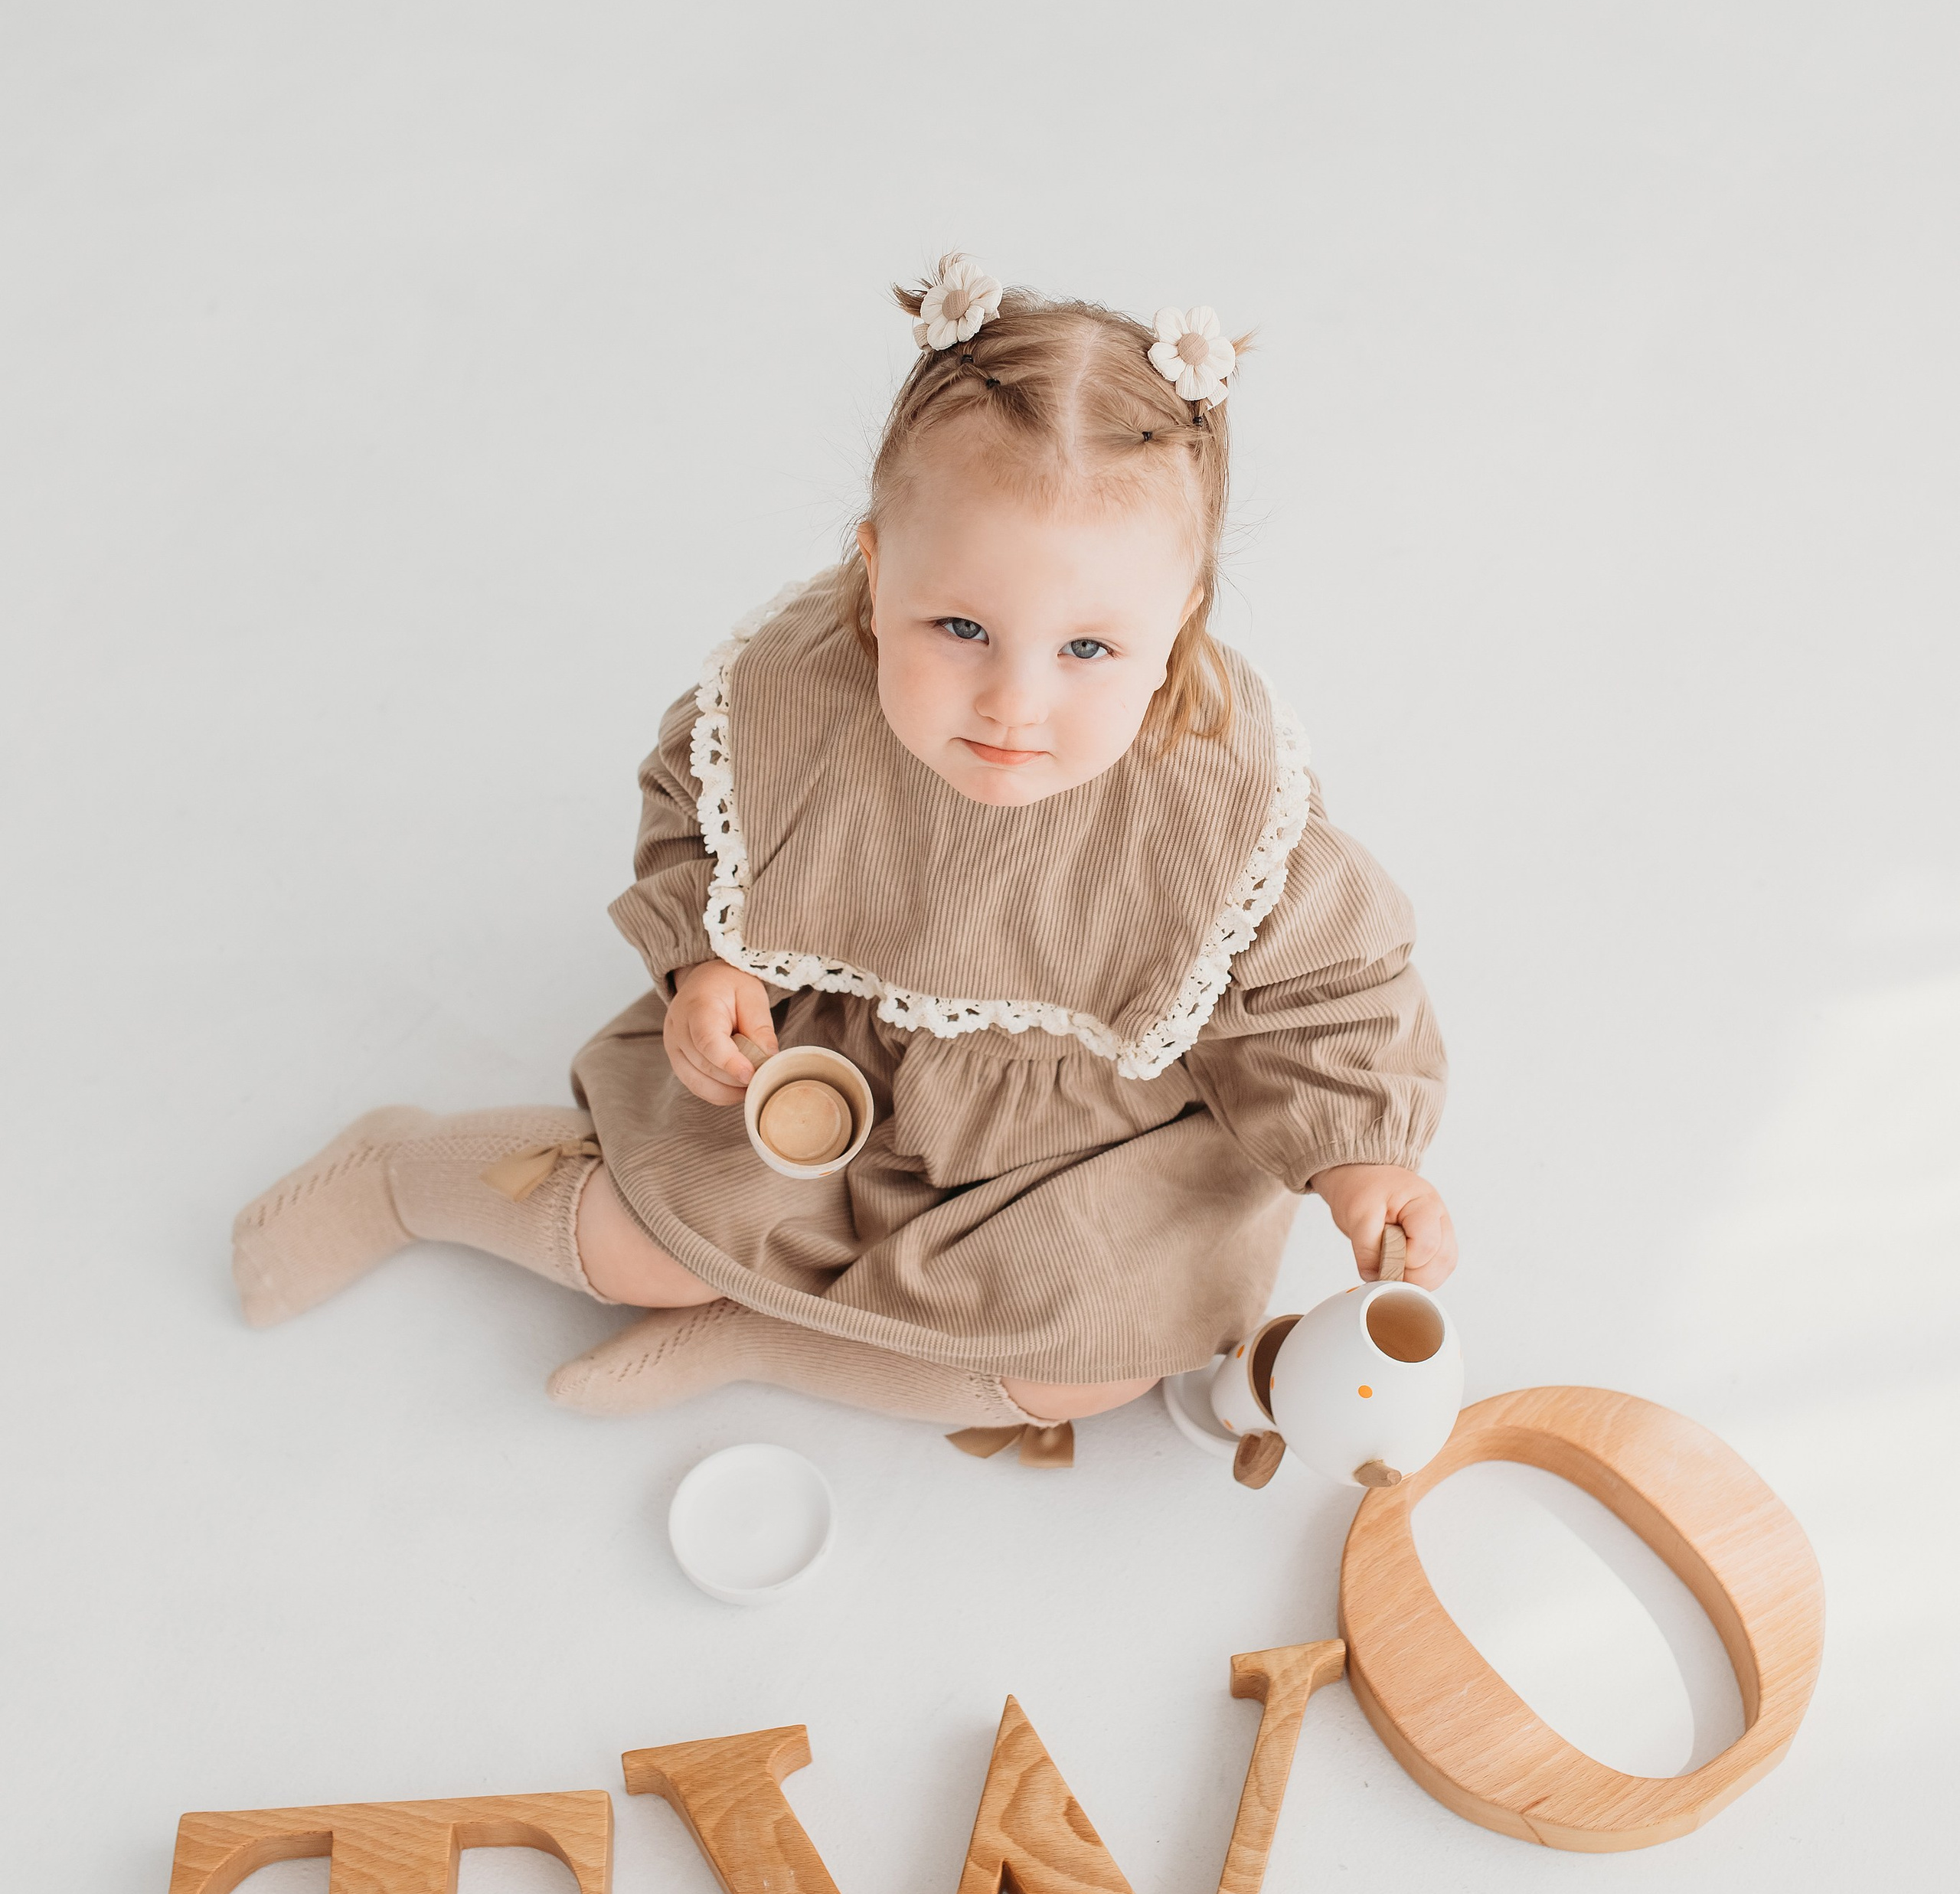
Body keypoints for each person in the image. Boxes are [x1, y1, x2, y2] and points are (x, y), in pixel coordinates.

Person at [233, 256, 1454, 1460]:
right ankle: (406, 1172)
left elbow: (1329, 993)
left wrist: (1362, 1160)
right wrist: (711, 966)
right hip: (834, 1060)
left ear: (1180, 618)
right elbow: (699, 815)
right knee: (638, 1245)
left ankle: (758, 1343)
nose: (1014, 704)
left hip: (1086, 1138)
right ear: (877, 577)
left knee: (1086, 1372)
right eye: (960, 628)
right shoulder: (800, 701)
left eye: (1089, 648)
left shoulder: (1218, 804)